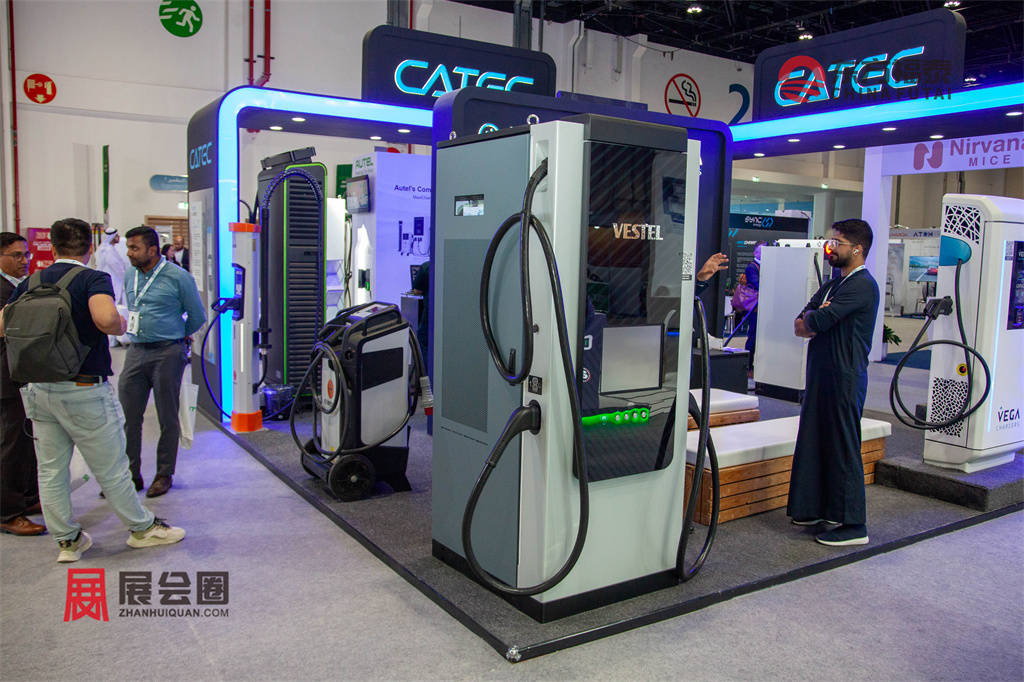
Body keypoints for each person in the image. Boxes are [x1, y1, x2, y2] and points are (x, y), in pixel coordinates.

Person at [1, 219, 185, 562]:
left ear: (52, 248)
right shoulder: (92, 279)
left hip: (39, 389)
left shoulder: (31, 282)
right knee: (111, 466)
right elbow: (105, 320)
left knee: (50, 469)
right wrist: (119, 321)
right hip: (83, 386)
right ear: (89, 248)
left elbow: (3, 324)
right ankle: (142, 528)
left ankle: (68, 541)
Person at [788, 219, 880, 547]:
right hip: (821, 377)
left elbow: (819, 320)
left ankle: (854, 525)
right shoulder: (833, 284)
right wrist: (814, 318)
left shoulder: (862, 285)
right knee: (814, 440)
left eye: (837, 242)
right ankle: (814, 509)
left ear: (857, 249)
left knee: (842, 446)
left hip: (844, 378)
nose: (831, 247)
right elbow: (801, 322)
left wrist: (816, 318)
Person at [120, 225, 206, 497]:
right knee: (129, 417)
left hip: (167, 352)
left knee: (167, 416)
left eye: (135, 248)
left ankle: (164, 474)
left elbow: (197, 316)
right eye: (129, 247)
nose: (129, 253)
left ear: (152, 250)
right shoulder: (130, 275)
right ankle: (130, 474)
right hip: (136, 351)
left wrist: (178, 337)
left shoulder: (178, 277)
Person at [0, 232, 45, 536]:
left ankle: (27, 498)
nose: (23, 260)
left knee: (27, 440)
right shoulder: (4, 289)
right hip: (5, 376)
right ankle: (8, 512)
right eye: (16, 255)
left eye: (26, 254)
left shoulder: (19, 285)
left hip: (22, 374)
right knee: (11, 445)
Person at [94, 227, 128, 305]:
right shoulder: (107, 250)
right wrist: (125, 276)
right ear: (112, 237)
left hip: (113, 279)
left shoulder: (108, 248)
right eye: (116, 236)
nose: (118, 237)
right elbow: (116, 266)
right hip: (113, 279)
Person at [742, 243, 762, 375]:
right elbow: (757, 284)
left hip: (761, 308)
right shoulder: (752, 267)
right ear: (755, 253)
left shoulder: (762, 266)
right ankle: (748, 367)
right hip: (754, 308)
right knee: (752, 337)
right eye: (761, 251)